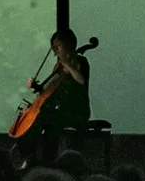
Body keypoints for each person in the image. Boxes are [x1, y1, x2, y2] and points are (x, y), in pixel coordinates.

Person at [15, 28, 92, 163]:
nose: (56, 51)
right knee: (42, 120)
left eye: (58, 46)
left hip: (77, 112)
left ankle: (43, 159)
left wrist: (68, 65)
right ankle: (31, 156)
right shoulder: (58, 67)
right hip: (61, 111)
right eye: (54, 47)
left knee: (51, 121)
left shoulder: (81, 62)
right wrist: (37, 87)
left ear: (69, 44)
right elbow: (50, 90)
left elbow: (81, 81)